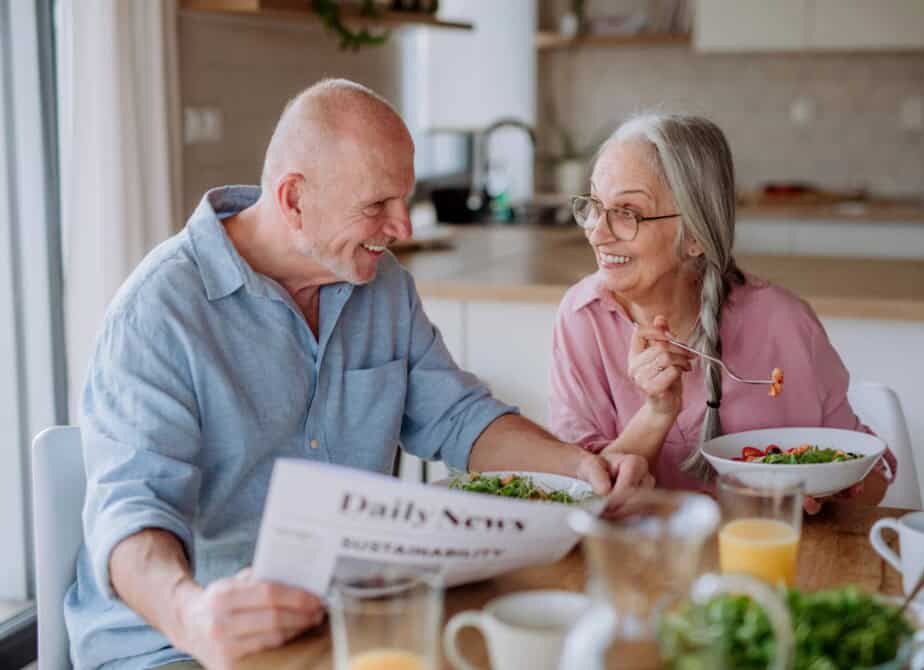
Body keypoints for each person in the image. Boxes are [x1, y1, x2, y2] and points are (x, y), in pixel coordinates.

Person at [66, 79, 651, 670]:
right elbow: (131, 510)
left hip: (347, 614)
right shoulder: (160, 309)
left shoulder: (383, 285)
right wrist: (191, 614)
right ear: (294, 199)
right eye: (377, 205)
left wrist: (580, 468)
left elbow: (460, 418)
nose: (403, 228)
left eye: (404, 199)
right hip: (179, 645)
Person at [548, 112, 895, 506]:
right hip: (638, 555)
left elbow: (873, 474)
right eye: (594, 205)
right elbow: (579, 497)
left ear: (695, 234)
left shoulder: (783, 324)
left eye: (628, 212)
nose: (597, 231)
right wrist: (657, 414)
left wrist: (823, 493)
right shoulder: (584, 316)